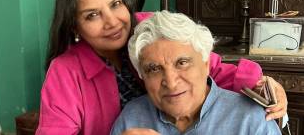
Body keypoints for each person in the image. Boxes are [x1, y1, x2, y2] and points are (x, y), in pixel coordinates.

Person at [36, 0, 287, 135]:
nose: (112, 21)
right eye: (92, 15)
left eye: (116, 4)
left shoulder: (152, 29)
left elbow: (208, 65)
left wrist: (264, 86)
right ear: (75, 27)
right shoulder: (66, 73)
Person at [111, 10, 281, 135]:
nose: (170, 82)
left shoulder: (250, 120)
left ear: (206, 64)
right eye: (154, 69)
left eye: (182, 63)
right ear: (142, 76)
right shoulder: (131, 119)